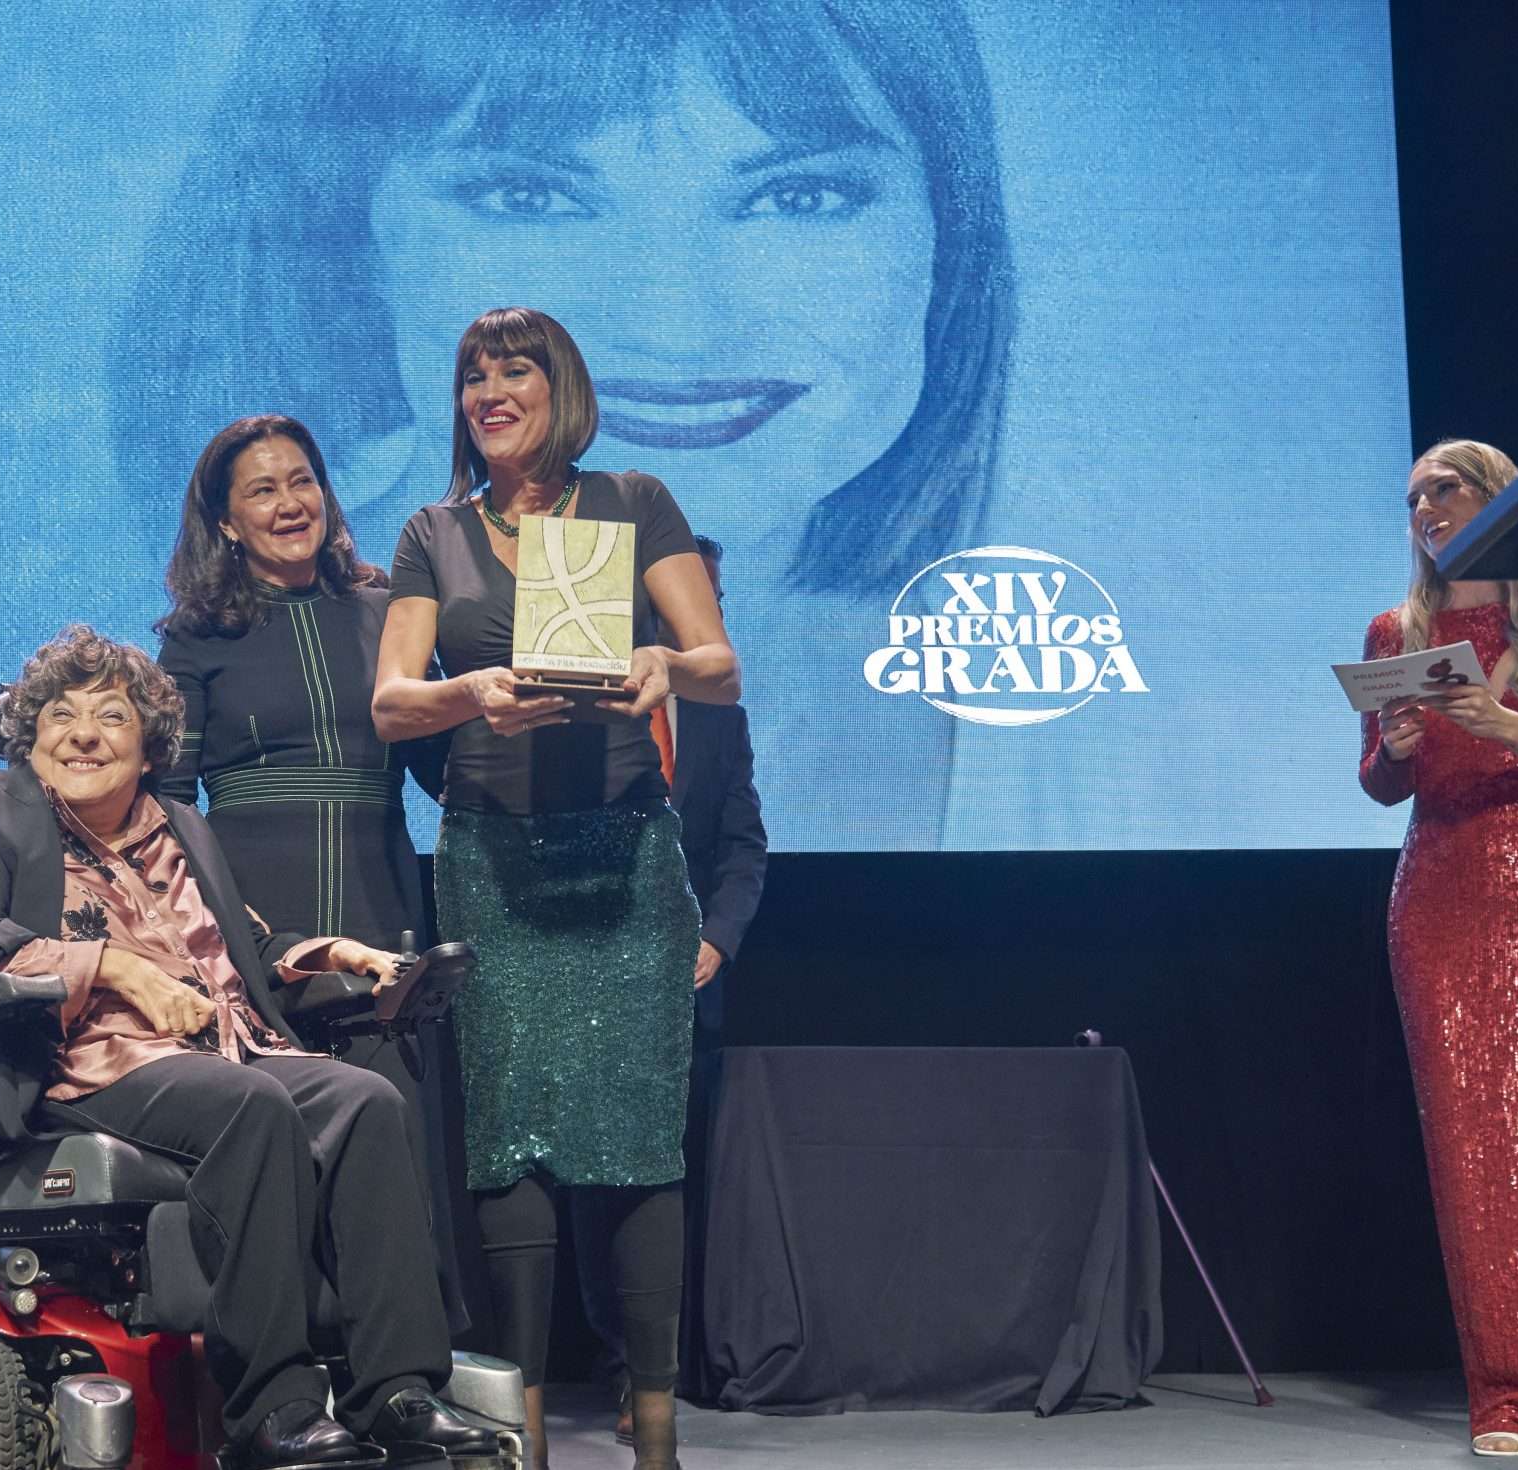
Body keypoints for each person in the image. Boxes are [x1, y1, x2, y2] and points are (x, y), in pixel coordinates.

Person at [112, 0, 1009, 846]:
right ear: (346, 233)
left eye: (800, 197)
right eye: (529, 197)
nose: (674, 323)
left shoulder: (999, 692)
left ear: (947, 242)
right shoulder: (269, 629)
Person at [0, 625, 490, 1470]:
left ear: (148, 745)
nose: (84, 733)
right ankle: (274, 1408)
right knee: (248, 1106)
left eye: (111, 716)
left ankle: (397, 1392)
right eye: (61, 716)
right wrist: (112, 969)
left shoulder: (181, 827)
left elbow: (245, 953)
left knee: (368, 1100)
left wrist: (335, 955)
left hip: (226, 1049)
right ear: (30, 742)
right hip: (87, 1062)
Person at [372, 306, 741, 1470]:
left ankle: (654, 1444)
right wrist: (468, 692)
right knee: (509, 1151)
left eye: (513, 369)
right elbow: (389, 704)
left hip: (627, 868)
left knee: (638, 1148)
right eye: (471, 372)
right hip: (493, 868)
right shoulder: (434, 533)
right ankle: (519, 1449)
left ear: (559, 386)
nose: (489, 388)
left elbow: (718, 663)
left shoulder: (633, 502)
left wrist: (658, 668)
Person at [151, 413, 470, 1335]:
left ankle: (404, 1375)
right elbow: (169, 804)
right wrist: (216, 934)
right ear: (226, 521)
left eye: (302, 481)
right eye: (262, 489)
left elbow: (444, 773)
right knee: (285, 1150)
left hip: (382, 904)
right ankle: (287, 1372)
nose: (289, 502)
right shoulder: (195, 638)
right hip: (260, 921)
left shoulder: (386, 614)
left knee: (397, 1142)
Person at [1358, 440, 1518, 1455]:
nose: (1424, 505)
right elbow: (1379, 786)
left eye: (1444, 487)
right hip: (1440, 895)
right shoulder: (1397, 630)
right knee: (1474, 1153)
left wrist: (1497, 720)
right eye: (1413, 494)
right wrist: (1398, 751)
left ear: (1499, 495)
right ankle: (1507, 1396)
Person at [581, 534, 767, 1442]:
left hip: (687, 992)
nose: (706, 619)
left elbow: (742, 847)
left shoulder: (721, 718)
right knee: (595, 1181)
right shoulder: (583, 696)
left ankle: (662, 1368)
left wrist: (718, 943)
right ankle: (619, 1367)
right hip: (586, 975)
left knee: (670, 1181)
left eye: (716, 602)